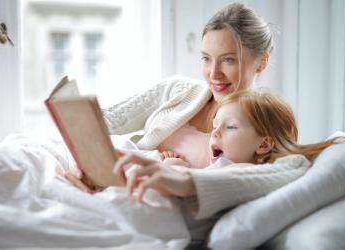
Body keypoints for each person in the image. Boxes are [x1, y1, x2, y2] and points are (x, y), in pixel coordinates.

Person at [65, 2, 274, 191]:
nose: (213, 74)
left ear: (262, 61)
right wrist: (85, 164)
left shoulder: (264, 127)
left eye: (228, 60)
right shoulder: (178, 89)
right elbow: (105, 123)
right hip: (117, 182)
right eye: (206, 59)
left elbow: (250, 184)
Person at [114, 89, 339, 202]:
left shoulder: (245, 170)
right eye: (214, 125)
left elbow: (203, 186)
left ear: (264, 144)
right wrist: (175, 165)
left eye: (229, 127)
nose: (215, 132)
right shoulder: (223, 164)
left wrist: (176, 168)